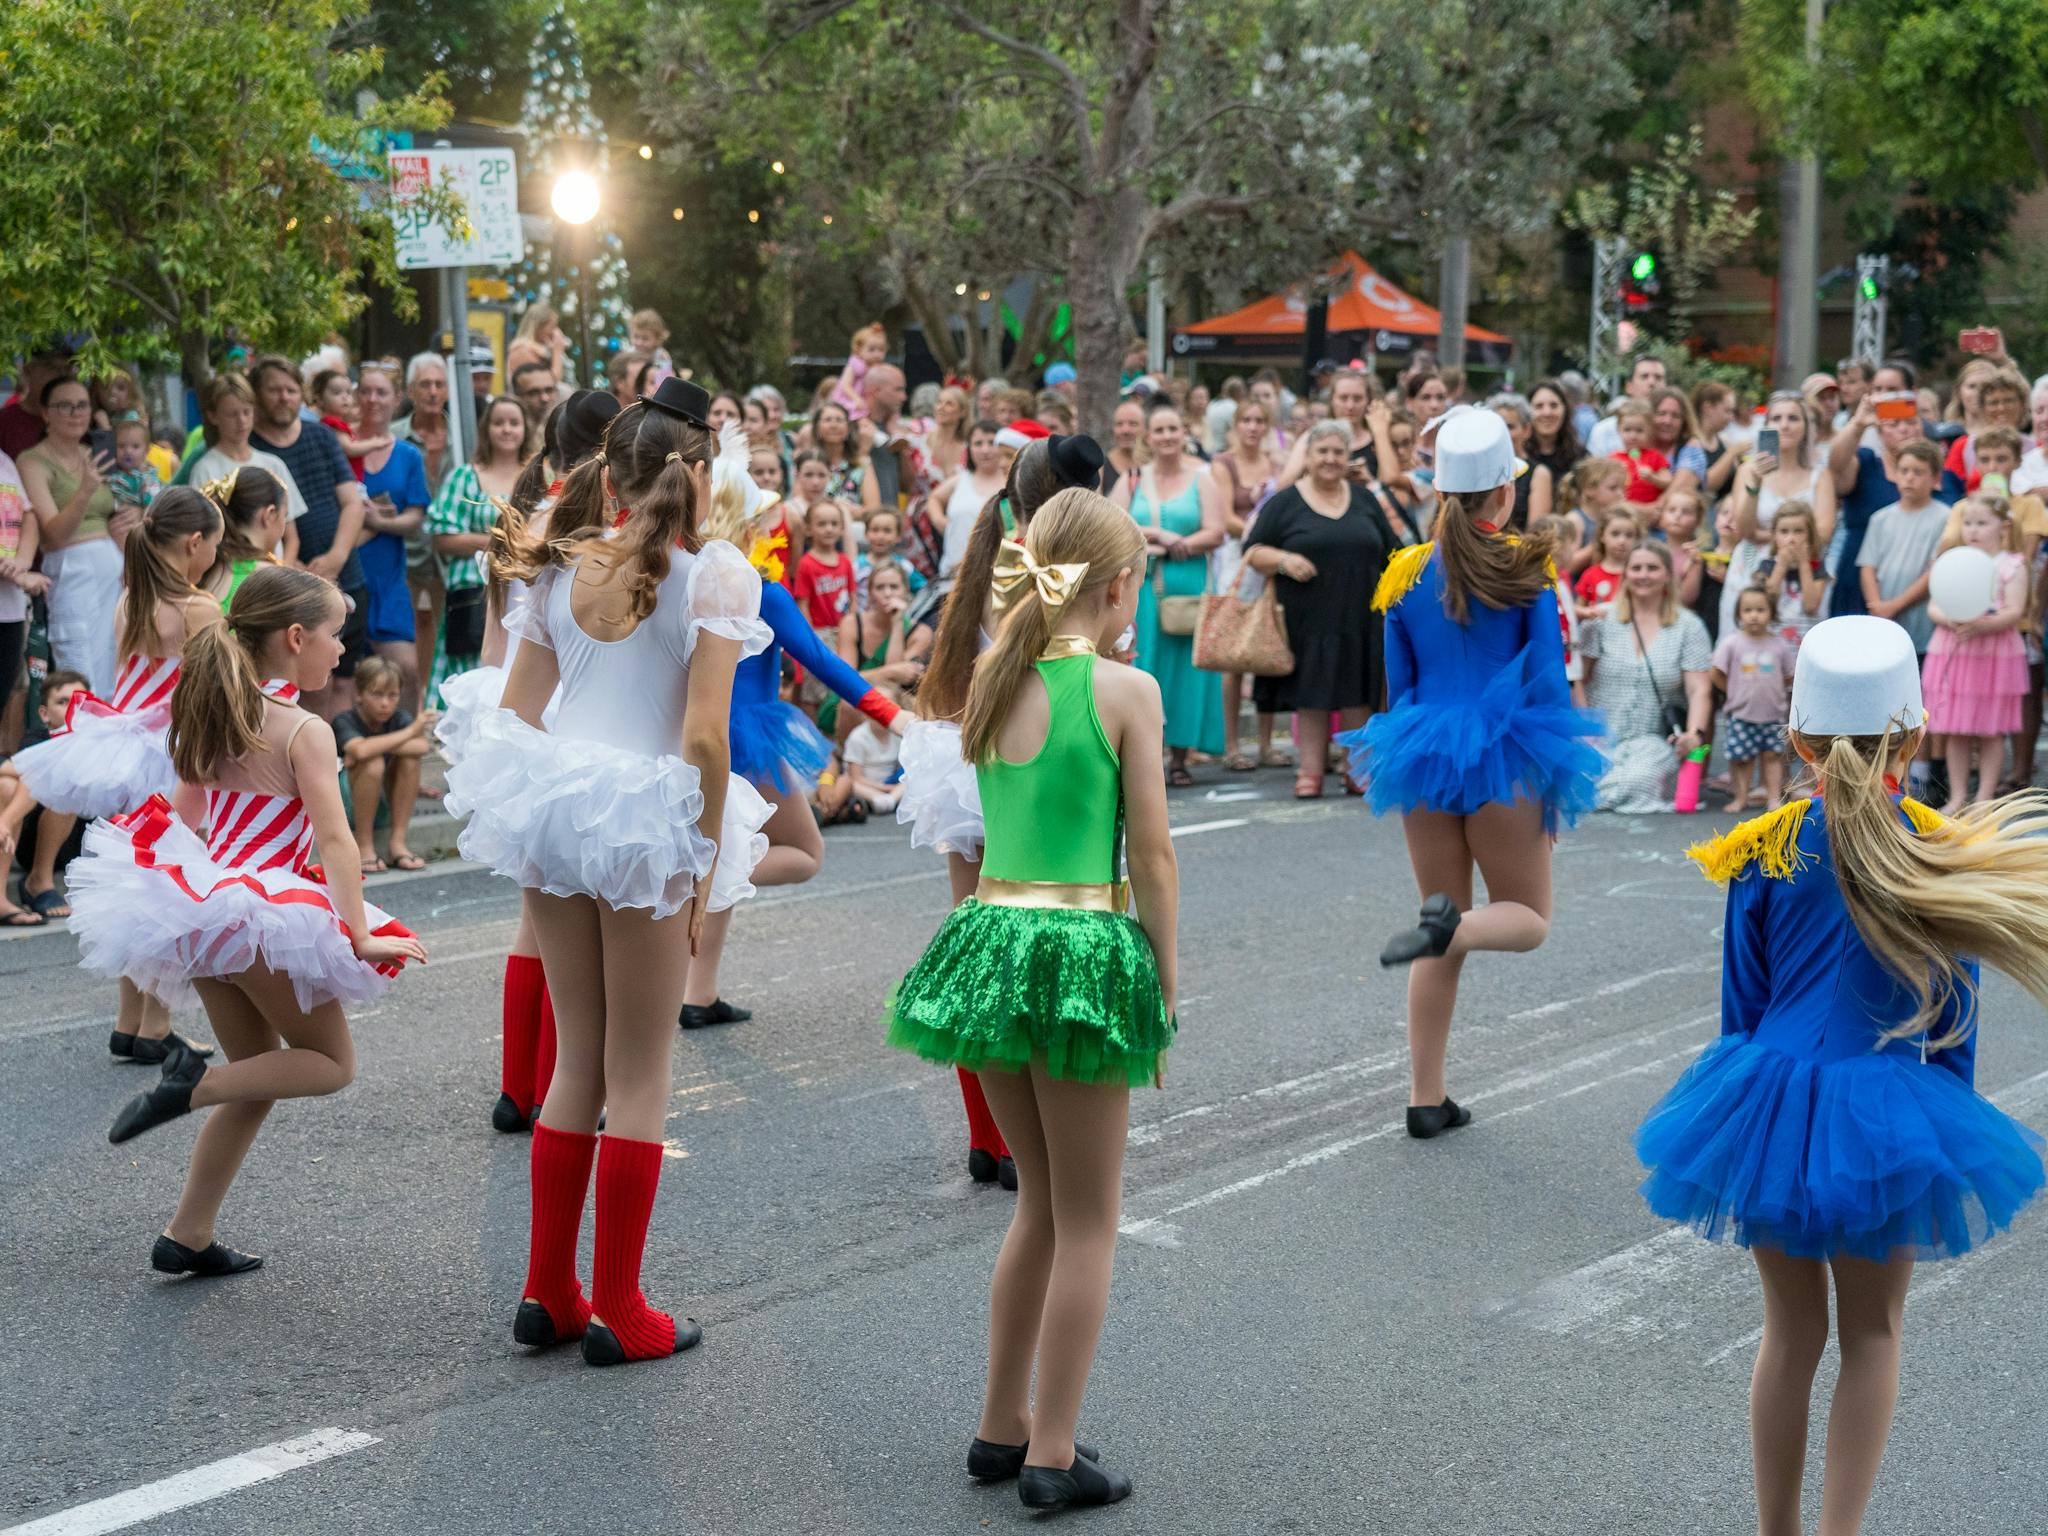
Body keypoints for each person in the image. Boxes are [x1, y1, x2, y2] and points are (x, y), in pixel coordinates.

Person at [1635, 615, 2048, 1536]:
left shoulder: (1764, 845)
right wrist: (1939, 1129)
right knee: (1872, 1333)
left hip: (1768, 1098)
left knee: (1790, 1334)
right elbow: (1954, 1028)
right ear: (1916, 736)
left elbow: (1742, 1010)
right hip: (1888, 1108)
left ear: (1797, 740)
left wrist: (1747, 1117)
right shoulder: (1938, 849)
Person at [446, 380, 771, 1366]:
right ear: (697, 473)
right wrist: (703, 864)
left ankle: (548, 1288)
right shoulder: (713, 576)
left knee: (576, 1060)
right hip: (649, 819)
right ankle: (619, 1309)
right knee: (639, 1072)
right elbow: (704, 737)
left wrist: (545, 802)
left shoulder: (559, 565)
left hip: (558, 808)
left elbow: (517, 713)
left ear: (612, 475)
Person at [884, 488, 1173, 1511]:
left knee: (1041, 1205)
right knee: (1089, 1218)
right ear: (1117, 585)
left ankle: (1001, 1424)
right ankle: (1052, 1452)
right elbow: (1151, 856)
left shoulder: (993, 682)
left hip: (990, 945)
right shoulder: (1125, 690)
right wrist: (1162, 978)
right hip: (1080, 947)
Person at [77, 566, 427, 1276]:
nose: (342, 649)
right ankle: (188, 1086)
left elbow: (184, 818)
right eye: (334, 634)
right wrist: (359, 934)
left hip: (207, 911)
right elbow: (335, 841)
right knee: (330, 1065)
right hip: (265, 916)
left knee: (258, 1076)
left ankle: (187, 1233)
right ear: (295, 638)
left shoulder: (216, 711)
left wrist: (168, 897)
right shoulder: (304, 729)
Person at [1341, 409, 1604, 1138]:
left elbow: (1399, 689)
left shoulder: (1404, 571)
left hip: (1421, 750)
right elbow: (1548, 685)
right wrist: (1553, 788)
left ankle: (1426, 1097)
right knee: (1527, 920)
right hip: (1506, 751)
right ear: (1506, 491)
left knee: (1443, 916)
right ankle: (1445, 932)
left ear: (1439, 490)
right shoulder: (1527, 567)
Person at [902, 434, 1108, 1190]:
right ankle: (1021, 1139)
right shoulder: (1053, 572)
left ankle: (987, 1137)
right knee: (1031, 952)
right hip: (1032, 766)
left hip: (964, 758)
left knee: (978, 945)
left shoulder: (993, 554)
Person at [677, 425, 905, 1032]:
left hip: (684, 732)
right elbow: (823, 662)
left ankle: (699, 990)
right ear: (742, 520)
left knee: (726, 847)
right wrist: (893, 713)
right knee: (803, 853)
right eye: (761, 516)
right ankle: (683, 886)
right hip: (746, 740)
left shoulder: (681, 578)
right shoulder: (761, 590)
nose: (770, 525)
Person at [436, 388, 618, 1137]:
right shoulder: (593, 529)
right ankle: (552, 1089)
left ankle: (521, 1087)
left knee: (535, 913)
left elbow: (493, 643)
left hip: (503, 705)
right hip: (565, 714)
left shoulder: (521, 518)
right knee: (569, 919)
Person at [17, 489, 227, 1056]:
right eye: (215, 542)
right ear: (194, 542)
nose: (217, 553)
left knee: (136, 882)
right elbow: (206, 692)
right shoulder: (198, 608)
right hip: (168, 754)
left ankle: (131, 1021)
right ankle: (154, 1026)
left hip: (121, 748)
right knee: (165, 886)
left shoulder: (131, 598)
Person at [1241, 419, 1397, 799]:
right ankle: (1309, 771)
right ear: (1307, 457)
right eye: (1322, 451)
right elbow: (1253, 550)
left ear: (1348, 457)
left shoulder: (1365, 499)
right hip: (1307, 619)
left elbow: (1393, 551)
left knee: (1358, 692)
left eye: (1338, 452)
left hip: (1361, 615)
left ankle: (1357, 769)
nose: (1330, 459)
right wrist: (1284, 560)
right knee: (1311, 694)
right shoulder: (1285, 501)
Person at [246, 357, 369, 715]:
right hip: (288, 584)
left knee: (344, 680)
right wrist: (295, 570)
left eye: (291, 390)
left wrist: (335, 557)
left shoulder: (321, 437)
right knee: (306, 685)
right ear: (257, 395)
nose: (284, 397)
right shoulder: (252, 448)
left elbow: (353, 503)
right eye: (274, 390)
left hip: (344, 574)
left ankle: (336, 749)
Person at [1116, 399, 1226, 784]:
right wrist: (1159, 536)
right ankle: (1143, 758)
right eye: (1159, 430)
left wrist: (1182, 544)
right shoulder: (1132, 479)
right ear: (1148, 436)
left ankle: (1180, 757)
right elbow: (1112, 524)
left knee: (1184, 672)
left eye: (1173, 429)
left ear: (1184, 434)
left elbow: (1216, 531)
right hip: (1141, 588)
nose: (1166, 436)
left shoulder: (1202, 479)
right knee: (1144, 665)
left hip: (1187, 583)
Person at [1581, 542, 1714, 813]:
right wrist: (1583, 730)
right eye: (1636, 568)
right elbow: (1578, 680)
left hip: (1652, 741)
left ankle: (1595, 794)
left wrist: (1694, 735)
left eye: (1652, 568)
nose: (1643, 575)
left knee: (1637, 780)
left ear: (1668, 574)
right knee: (1581, 776)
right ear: (1626, 574)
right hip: (1598, 736)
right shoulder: (1600, 619)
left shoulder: (1689, 626)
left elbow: (1699, 690)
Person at [1923, 494, 2030, 812]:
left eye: (1982, 523)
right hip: (1956, 650)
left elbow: (2014, 610)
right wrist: (1951, 620)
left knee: (1990, 730)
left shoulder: (2011, 565)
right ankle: (1957, 796)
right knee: (1956, 729)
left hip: (1993, 655)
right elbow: (1934, 605)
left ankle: (1984, 796)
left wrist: (1981, 625)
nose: (1973, 529)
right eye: (1968, 522)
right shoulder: (1952, 561)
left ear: (2003, 527)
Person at [18, 377, 123, 694]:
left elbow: (119, 503)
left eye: (82, 405)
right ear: (46, 413)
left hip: (114, 570)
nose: (76, 413)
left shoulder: (94, 453)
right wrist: (85, 490)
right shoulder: (32, 460)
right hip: (72, 570)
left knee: (115, 666)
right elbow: (54, 535)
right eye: (65, 406)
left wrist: (131, 515)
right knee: (78, 668)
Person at [429, 395, 528, 701]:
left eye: (514, 423)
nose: (506, 429)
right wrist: (503, 541)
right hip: (472, 595)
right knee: (469, 673)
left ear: (525, 428)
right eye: (499, 423)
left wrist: (482, 539)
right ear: (486, 429)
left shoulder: (540, 476)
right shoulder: (464, 476)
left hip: (524, 593)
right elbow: (442, 537)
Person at [1210, 397, 1283, 770]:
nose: (1253, 427)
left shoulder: (1275, 464)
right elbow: (1226, 517)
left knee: (1267, 646)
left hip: (1268, 561)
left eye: (1259, 420)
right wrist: (1262, 534)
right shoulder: (1223, 464)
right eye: (1247, 420)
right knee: (1232, 654)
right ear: (1236, 425)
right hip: (1236, 560)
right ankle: (1231, 746)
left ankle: (1267, 744)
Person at [352, 365, 428, 711]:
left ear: (397, 398)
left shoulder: (408, 455)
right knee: (346, 673)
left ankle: (409, 737)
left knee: (406, 669)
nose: (372, 399)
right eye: (365, 391)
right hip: (348, 570)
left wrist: (378, 522)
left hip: (389, 574)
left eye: (381, 392)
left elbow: (416, 515)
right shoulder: (341, 445)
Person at [1826, 365, 1922, 617]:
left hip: (1913, 582)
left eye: (1911, 421)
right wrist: (1858, 424)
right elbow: (1835, 464)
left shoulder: (1936, 472)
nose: (1904, 429)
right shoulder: (1867, 461)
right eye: (1894, 423)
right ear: (1879, 430)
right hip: (1859, 575)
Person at [333, 655, 433, 872]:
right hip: (348, 806)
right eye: (376, 694)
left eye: (392, 695)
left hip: (386, 799)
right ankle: (364, 846)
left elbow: (422, 747)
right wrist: (409, 732)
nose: (385, 703)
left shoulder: (399, 718)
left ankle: (398, 843)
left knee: (409, 759)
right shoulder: (344, 720)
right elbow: (361, 751)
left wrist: (371, 746)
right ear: (359, 694)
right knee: (372, 763)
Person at [1856, 440, 1949, 656]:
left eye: (1918, 472)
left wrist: (1894, 606)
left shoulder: (1945, 518)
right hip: (1883, 621)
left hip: (1921, 623)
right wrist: (1877, 605)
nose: (1909, 477)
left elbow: (1934, 571)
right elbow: (1867, 567)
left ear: (1935, 478)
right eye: (1904, 470)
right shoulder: (1880, 519)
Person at [1713, 586, 1797, 811]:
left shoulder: (1779, 645)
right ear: (1739, 614)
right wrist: (1731, 691)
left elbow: (1789, 675)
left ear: (1771, 613)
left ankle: (1773, 798)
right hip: (1741, 713)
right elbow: (1716, 672)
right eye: (1747, 610)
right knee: (1742, 759)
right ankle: (1741, 797)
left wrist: (1774, 691)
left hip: (1773, 714)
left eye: (1760, 610)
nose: (1754, 615)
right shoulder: (1732, 643)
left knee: (1773, 756)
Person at [1731, 390, 1837, 548]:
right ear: (1766, 425)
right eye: (1776, 418)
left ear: (1806, 427)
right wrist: (1755, 484)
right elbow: (1743, 531)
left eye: (1793, 418)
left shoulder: (1820, 475)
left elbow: (1823, 535)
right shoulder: (1748, 471)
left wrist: (1763, 536)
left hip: (1803, 560)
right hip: (1753, 560)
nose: (1784, 426)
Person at [0, 448, 46, 745]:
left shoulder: (4, 461)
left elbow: (28, 515)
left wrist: (23, 562)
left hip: (9, 609)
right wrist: (16, 574)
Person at [200, 466, 288, 608]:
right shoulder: (269, 577)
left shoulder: (207, 567)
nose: (284, 525)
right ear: (269, 515)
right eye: (285, 515)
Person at [929, 420, 1005, 580]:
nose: (985, 450)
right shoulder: (960, 480)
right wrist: (939, 520)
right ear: (969, 448)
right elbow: (934, 498)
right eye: (978, 443)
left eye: (991, 443)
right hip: (954, 575)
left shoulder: (1011, 483)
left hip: (997, 576)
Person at [1754, 501, 1829, 647]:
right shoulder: (1767, 566)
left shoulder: (1817, 568)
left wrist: (1803, 564)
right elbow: (1766, 601)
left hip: (1806, 644)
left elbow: (1811, 606)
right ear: (1775, 536)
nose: (1791, 539)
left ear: (1810, 535)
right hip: (1773, 645)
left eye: (1798, 531)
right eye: (1784, 532)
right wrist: (1781, 565)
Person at [1586, 356, 1669, 457]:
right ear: (1629, 386)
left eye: (1658, 378)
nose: (1652, 383)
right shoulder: (1604, 430)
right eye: (1644, 376)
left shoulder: (1669, 429)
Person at [812, 400, 879, 518]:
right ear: (817, 428)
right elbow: (799, 505)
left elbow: (874, 509)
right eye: (828, 420)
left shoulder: (862, 464)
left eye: (839, 420)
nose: (834, 425)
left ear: (848, 428)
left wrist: (851, 512)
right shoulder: (809, 462)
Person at [0, 347, 72, 458]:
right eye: (52, 368)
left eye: (67, 369)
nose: (61, 376)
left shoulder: (77, 420)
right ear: (28, 371)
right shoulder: (4, 422)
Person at [1573, 510, 1640, 622]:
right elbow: (1577, 610)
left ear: (1637, 539)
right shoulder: (1591, 574)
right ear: (1602, 536)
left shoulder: (1639, 575)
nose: (1622, 541)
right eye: (1615, 534)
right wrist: (1588, 612)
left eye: (1629, 535)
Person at [1525, 379, 1585, 489]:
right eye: (1539, 406)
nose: (1547, 413)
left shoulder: (1581, 458)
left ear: (1565, 410)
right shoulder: (1517, 458)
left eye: (1554, 405)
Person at [830, 322, 889, 422]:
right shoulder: (855, 364)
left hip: (866, 401)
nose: (877, 354)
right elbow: (845, 385)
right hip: (850, 400)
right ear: (858, 349)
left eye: (881, 350)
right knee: (856, 417)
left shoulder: (878, 367)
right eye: (871, 350)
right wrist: (856, 399)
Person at [507, 303, 572, 388]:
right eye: (553, 326)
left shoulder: (543, 351)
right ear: (538, 327)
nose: (556, 332)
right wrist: (557, 352)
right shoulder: (522, 351)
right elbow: (550, 384)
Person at [627, 309, 677, 390]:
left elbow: (664, 383)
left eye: (645, 338)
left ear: (657, 339)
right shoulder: (629, 354)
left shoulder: (661, 356)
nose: (639, 342)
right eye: (636, 337)